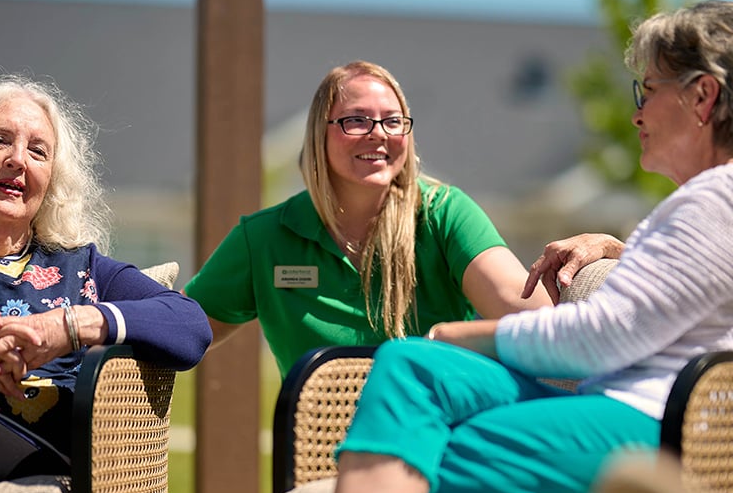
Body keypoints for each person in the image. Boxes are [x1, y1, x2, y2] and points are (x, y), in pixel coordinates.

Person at [321, 0, 733, 493]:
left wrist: (462, 335)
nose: (637, 112)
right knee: (409, 365)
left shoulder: (714, 200)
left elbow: (601, 337)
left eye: (648, 90)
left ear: (702, 96)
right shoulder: (708, 205)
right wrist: (620, 249)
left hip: (656, 423)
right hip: (630, 407)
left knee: (401, 461)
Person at [0, 74, 212, 493]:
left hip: (38, 451)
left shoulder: (80, 267)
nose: (18, 160)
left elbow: (190, 326)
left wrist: (72, 324)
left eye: (38, 151)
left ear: (52, 181)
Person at [183, 60, 552, 378]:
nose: (378, 133)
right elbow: (185, 326)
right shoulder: (264, 237)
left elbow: (535, 322)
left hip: (439, 442)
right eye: (357, 120)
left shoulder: (445, 213)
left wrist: (446, 339)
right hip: (317, 451)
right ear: (318, 133)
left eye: (393, 121)